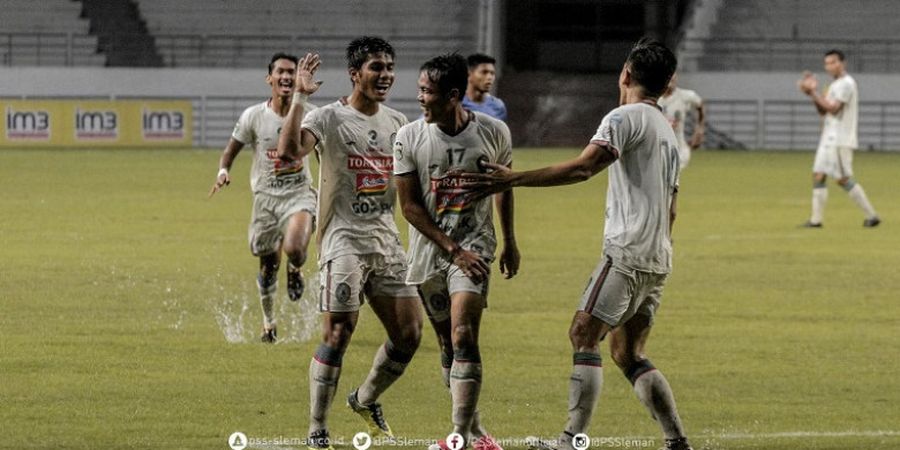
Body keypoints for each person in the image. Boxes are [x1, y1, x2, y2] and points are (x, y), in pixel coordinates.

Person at [463, 38, 693, 450]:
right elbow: (672, 209)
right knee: (628, 354)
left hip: (626, 254)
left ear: (625, 73)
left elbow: (584, 167)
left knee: (583, 334)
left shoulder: (623, 118)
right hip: (658, 258)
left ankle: (571, 441)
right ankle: (676, 441)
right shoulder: (667, 133)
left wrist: (512, 178)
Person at [275, 37, 423, 450]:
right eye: (376, 67)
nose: (386, 75)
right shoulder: (328, 118)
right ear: (355, 74)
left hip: (387, 241)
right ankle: (317, 428)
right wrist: (299, 98)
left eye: (390, 67)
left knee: (410, 334)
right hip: (343, 241)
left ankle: (365, 398)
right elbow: (288, 153)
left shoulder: (399, 124)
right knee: (338, 333)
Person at [393, 52, 518, 450]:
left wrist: (510, 241)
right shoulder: (408, 137)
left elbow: (504, 186)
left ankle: (458, 438)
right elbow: (410, 207)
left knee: (464, 334)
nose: (420, 99)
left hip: (475, 247)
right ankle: (477, 432)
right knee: (447, 345)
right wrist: (450, 248)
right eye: (419, 90)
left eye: (427, 92)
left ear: (452, 96)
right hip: (430, 252)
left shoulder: (495, 132)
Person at [209, 52, 317, 344]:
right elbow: (231, 150)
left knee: (294, 248)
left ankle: (295, 268)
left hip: (299, 195)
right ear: (269, 78)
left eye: (291, 72)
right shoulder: (254, 116)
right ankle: (268, 323)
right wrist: (223, 171)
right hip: (266, 199)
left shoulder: (310, 114)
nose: (286, 77)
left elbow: (325, 153)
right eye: (280, 72)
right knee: (268, 266)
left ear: (298, 78)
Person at [798, 49, 880, 228]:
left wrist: (813, 92)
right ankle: (816, 220)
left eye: (833, 62)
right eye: (827, 63)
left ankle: (872, 215)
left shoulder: (847, 83)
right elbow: (823, 110)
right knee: (818, 175)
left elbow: (834, 109)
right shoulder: (834, 85)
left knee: (842, 179)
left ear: (843, 63)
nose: (830, 66)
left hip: (840, 138)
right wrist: (812, 93)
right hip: (828, 137)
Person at [657, 73, 704, 169]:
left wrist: (699, 129)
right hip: (658, 151)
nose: (671, 79)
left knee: (668, 179)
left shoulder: (684, 96)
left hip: (680, 151)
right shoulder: (654, 98)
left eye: (673, 76)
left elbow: (700, 105)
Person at [461, 53, 508, 121]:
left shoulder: (498, 106)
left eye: (492, 73)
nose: (489, 77)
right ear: (469, 74)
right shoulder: (457, 104)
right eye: (484, 72)